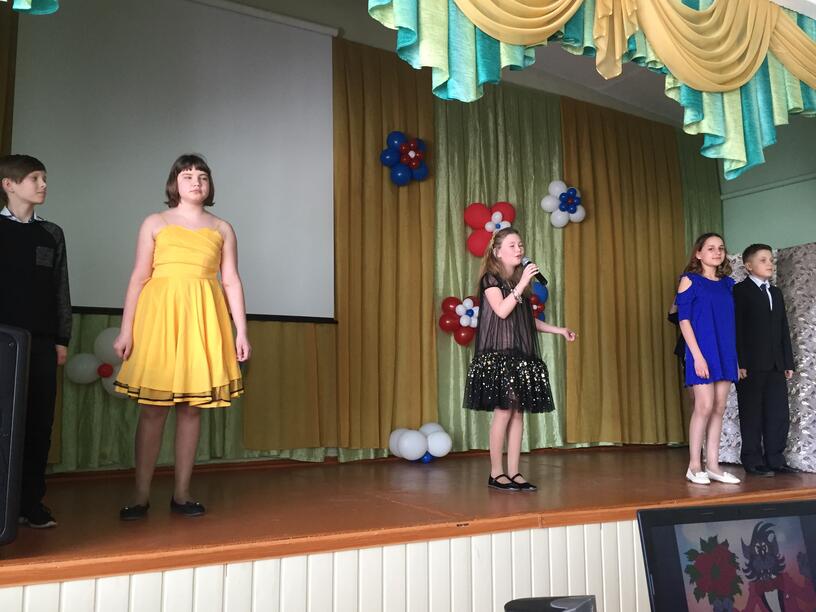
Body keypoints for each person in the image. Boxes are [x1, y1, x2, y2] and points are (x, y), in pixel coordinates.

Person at [113, 154, 250, 520]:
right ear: (174, 183)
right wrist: (126, 329)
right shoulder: (155, 222)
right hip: (159, 320)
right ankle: (140, 495)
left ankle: (182, 493)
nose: (196, 181)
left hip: (203, 320)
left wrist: (241, 330)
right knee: (152, 410)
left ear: (210, 184)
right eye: (187, 175)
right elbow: (139, 276)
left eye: (202, 176)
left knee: (191, 410)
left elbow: (231, 281)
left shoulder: (222, 228)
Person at [463, 228, 576, 492]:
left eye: (520, 245)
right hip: (499, 357)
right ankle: (496, 473)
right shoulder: (490, 280)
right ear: (497, 252)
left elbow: (525, 320)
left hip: (520, 357)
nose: (519, 249)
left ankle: (514, 472)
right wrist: (523, 283)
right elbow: (502, 311)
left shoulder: (518, 284)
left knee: (518, 414)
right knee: (504, 412)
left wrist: (558, 330)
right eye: (512, 245)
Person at [0, 154, 71, 529]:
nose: (43, 185)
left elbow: (60, 289)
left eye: (44, 177)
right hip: (2, 342)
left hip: (40, 342)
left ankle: (31, 503)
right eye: (34, 178)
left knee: (39, 422)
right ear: (9, 185)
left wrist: (61, 339)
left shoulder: (51, 234)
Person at [675, 233, 740, 485]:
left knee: (719, 407)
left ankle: (713, 465)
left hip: (725, 351)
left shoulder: (728, 284)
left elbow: (729, 321)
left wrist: (735, 357)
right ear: (698, 253)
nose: (717, 252)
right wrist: (697, 356)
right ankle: (694, 465)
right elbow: (684, 321)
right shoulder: (689, 280)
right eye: (710, 248)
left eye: (720, 248)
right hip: (701, 351)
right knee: (704, 406)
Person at [734, 243, 796, 476]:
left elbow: (783, 328)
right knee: (751, 413)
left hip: (776, 364)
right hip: (750, 365)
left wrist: (787, 362)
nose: (770, 264)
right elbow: (737, 329)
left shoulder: (776, 293)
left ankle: (775, 458)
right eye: (763, 260)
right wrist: (740, 362)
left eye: (771, 260)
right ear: (748, 266)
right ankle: (752, 459)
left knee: (777, 413)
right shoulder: (740, 291)